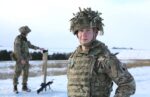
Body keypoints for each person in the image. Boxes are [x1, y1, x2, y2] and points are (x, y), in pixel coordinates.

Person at [67, 8, 136, 97]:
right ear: (76, 33)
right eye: (81, 30)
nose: (84, 35)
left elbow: (128, 84)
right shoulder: (74, 57)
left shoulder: (104, 57)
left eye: (88, 30)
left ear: (95, 33)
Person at [13, 25, 44, 93]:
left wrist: (39, 48)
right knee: (17, 73)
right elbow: (17, 51)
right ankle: (15, 88)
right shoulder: (18, 39)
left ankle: (24, 87)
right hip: (20, 60)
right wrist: (21, 59)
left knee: (26, 73)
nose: (28, 34)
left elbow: (30, 46)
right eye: (27, 32)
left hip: (26, 59)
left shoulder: (25, 39)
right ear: (24, 32)